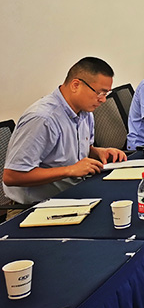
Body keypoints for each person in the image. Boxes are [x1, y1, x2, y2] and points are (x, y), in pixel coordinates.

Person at [3, 57, 128, 205]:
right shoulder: (43, 119)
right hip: (37, 205)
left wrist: (98, 152)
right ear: (76, 85)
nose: (103, 100)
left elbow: (75, 151)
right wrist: (70, 170)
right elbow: (12, 176)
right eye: (100, 93)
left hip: (75, 192)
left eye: (106, 94)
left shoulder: (85, 112)